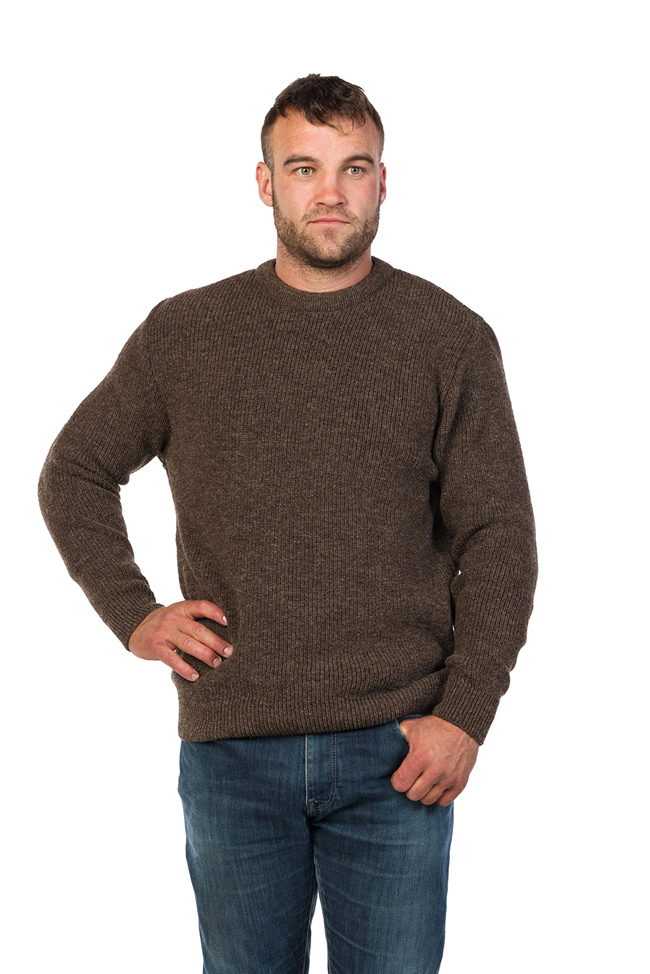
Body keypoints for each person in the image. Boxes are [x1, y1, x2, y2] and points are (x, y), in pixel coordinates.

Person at [38, 73, 538, 974]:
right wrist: (135, 615)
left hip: (399, 753)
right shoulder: (187, 333)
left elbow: (499, 538)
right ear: (266, 183)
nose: (331, 192)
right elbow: (75, 472)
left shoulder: (448, 338)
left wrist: (465, 715)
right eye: (305, 168)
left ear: (384, 182)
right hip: (233, 753)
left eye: (355, 168)